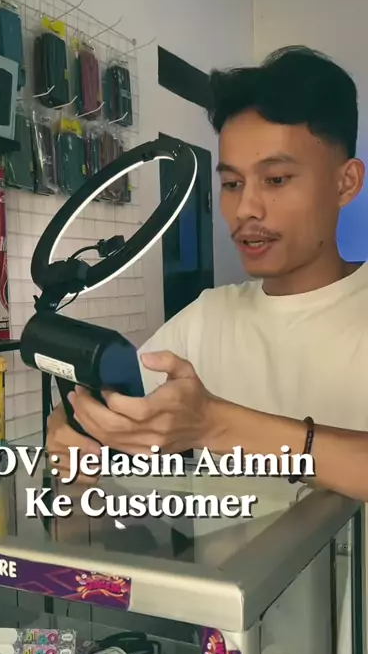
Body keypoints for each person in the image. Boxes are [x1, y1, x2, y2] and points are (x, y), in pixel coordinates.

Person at [46, 45, 368, 500]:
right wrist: (75, 428)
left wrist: (215, 423)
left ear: (345, 182)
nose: (245, 208)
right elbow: (111, 407)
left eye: (276, 179)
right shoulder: (207, 317)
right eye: (232, 183)